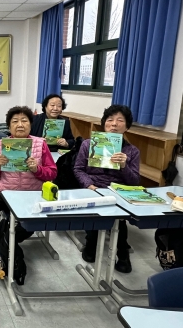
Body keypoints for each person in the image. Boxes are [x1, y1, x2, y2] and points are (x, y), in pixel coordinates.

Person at [0, 106, 57, 269]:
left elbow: (52, 173)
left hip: (32, 193)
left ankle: (4, 239)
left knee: (29, 223)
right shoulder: (0, 145)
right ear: (9, 126)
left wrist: (37, 169)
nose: (20, 124)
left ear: (30, 124)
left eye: (24, 121)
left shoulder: (40, 144)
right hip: (5, 191)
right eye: (15, 121)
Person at [74, 104, 140, 273]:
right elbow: (78, 169)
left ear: (127, 126)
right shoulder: (89, 144)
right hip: (92, 188)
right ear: (104, 124)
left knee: (119, 218)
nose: (114, 124)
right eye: (110, 120)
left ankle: (122, 252)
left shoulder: (132, 151)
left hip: (118, 191)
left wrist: (124, 165)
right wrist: (88, 184)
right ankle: (91, 241)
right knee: (95, 214)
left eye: (120, 120)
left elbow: (134, 182)